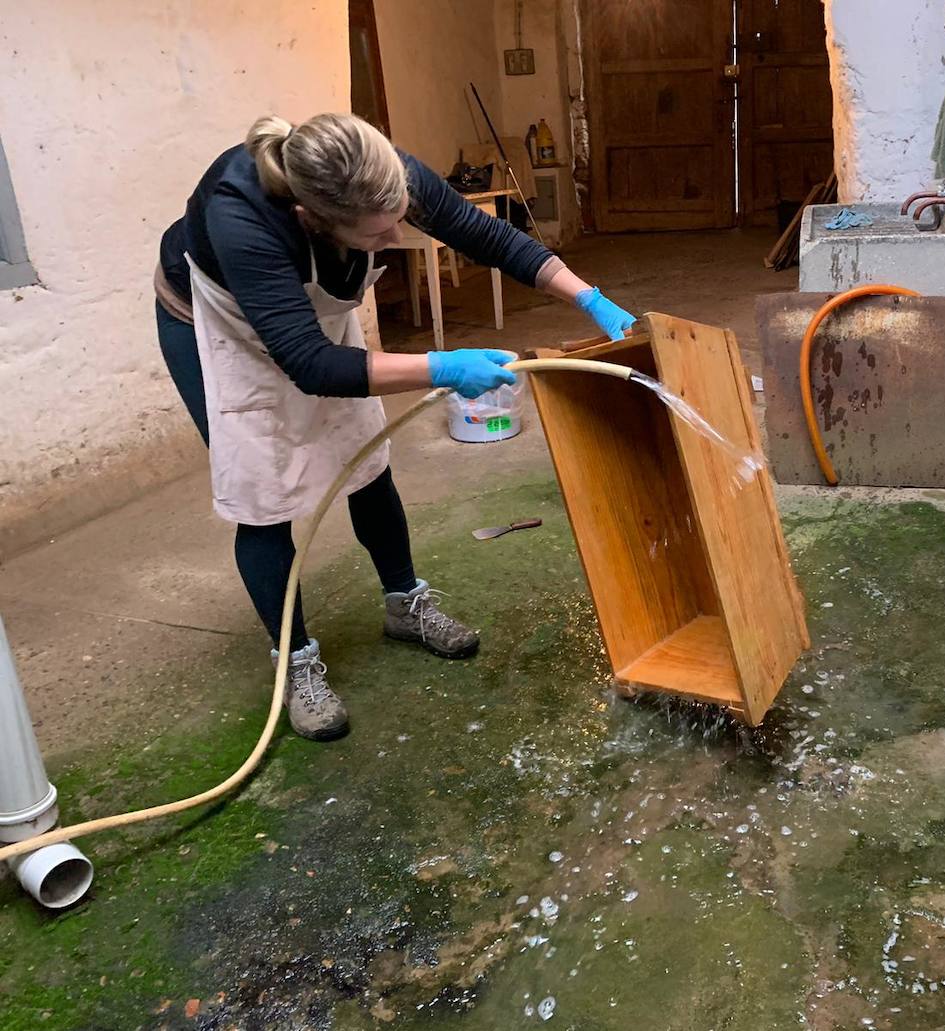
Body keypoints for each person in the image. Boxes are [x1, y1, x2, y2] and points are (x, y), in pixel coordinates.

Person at [154, 112, 636, 742]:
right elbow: (308, 363)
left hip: (311, 325)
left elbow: (486, 236)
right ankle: (293, 664)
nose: (394, 240)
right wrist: (439, 365)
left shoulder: (381, 172)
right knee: (263, 494)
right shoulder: (241, 216)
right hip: (218, 326)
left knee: (365, 457)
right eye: (380, 237)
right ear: (314, 222)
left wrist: (587, 297)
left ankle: (405, 604)